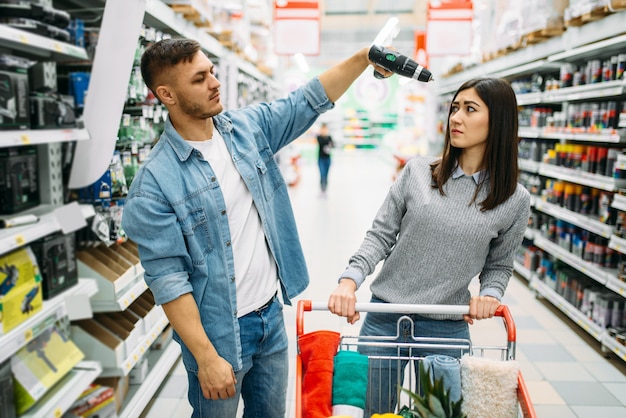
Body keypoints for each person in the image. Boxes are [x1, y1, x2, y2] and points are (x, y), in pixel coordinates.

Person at [120, 37, 393, 417]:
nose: (215, 83)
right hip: (217, 335)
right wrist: (205, 356)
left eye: (212, 72)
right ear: (166, 94)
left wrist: (363, 57)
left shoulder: (245, 129)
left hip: (270, 317)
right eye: (199, 79)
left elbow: (307, 100)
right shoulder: (154, 183)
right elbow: (169, 279)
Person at [327, 77, 531, 415]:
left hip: (446, 327)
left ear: (498, 120)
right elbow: (380, 235)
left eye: (469, 109)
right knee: (371, 410)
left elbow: (499, 265)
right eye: (454, 108)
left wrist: (490, 295)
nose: (456, 118)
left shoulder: (514, 199)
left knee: (438, 415)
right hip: (385, 317)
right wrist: (348, 281)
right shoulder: (418, 172)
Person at [316, 122, 335, 194]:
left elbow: (333, 145)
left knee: (326, 174)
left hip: (328, 159)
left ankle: (325, 189)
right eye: (323, 129)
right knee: (322, 174)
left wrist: (330, 143)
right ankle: (322, 189)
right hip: (321, 159)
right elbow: (322, 142)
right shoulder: (319, 137)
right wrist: (329, 142)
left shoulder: (329, 137)